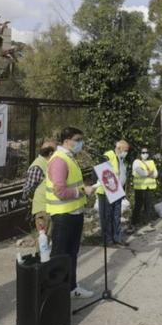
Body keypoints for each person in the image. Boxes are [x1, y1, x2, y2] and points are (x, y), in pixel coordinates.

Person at [46, 126, 97, 299]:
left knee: (72, 253)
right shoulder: (59, 160)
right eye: (78, 140)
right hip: (63, 216)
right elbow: (59, 191)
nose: (81, 143)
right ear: (67, 141)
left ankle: (71, 287)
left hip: (74, 213)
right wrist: (82, 191)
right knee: (60, 256)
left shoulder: (69, 157)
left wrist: (82, 190)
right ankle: (55, 294)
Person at [22, 139, 57, 240]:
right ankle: (42, 256)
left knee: (49, 240)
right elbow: (28, 189)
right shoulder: (38, 166)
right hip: (43, 209)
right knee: (43, 240)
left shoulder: (48, 163)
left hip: (51, 207)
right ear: (50, 153)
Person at [97, 140, 129, 246]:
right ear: (118, 148)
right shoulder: (108, 155)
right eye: (125, 150)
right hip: (106, 192)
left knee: (116, 216)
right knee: (107, 216)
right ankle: (108, 239)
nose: (126, 152)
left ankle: (117, 237)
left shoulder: (120, 159)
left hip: (117, 191)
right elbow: (102, 172)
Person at [131, 147, 159, 228]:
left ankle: (147, 221)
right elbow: (141, 173)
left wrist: (148, 173)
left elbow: (156, 174)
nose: (145, 154)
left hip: (149, 187)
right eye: (143, 153)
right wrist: (149, 173)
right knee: (138, 205)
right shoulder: (136, 162)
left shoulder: (151, 162)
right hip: (139, 187)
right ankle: (134, 222)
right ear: (140, 153)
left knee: (148, 205)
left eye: (146, 152)